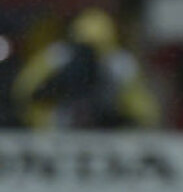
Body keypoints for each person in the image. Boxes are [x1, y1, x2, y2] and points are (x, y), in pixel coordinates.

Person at [11, 8, 160, 130]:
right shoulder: (57, 58)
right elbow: (25, 93)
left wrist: (116, 118)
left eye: (94, 50)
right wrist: (55, 87)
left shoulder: (119, 65)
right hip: (55, 131)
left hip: (103, 136)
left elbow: (143, 112)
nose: (87, 57)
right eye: (83, 49)